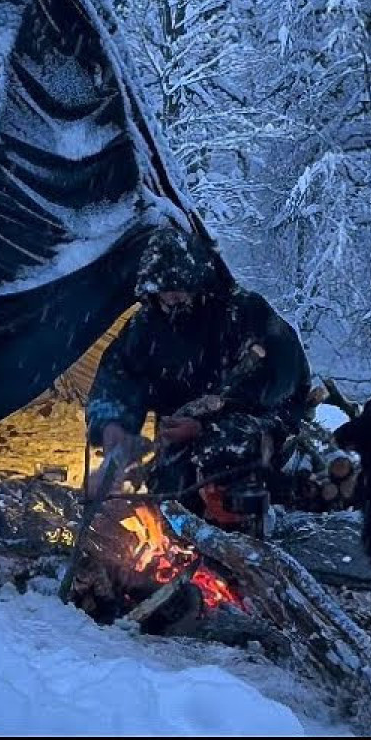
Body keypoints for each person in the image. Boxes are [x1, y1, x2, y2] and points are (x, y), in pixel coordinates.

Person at [83, 226, 312, 529]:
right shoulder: (148, 324)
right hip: (179, 429)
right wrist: (114, 428)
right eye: (162, 291)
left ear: (199, 282)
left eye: (178, 289)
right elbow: (119, 376)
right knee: (171, 493)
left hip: (253, 426)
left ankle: (240, 535)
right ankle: (180, 541)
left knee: (222, 451)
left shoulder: (243, 313)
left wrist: (208, 420)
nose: (170, 299)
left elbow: (281, 377)